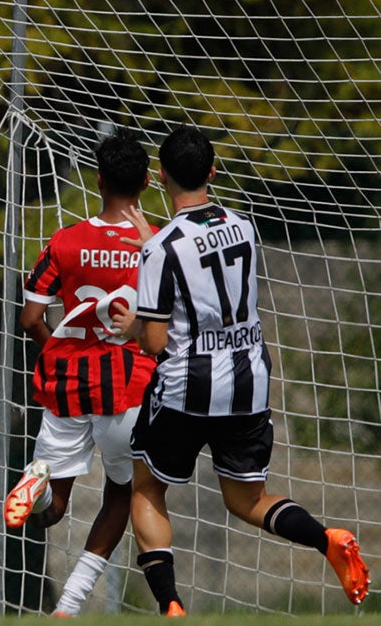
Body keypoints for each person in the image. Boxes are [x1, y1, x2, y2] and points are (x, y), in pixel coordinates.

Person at [113, 125, 369, 615]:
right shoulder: (245, 227)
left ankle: (171, 605)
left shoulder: (160, 250)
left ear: (160, 176)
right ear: (212, 171)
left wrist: (131, 326)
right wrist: (157, 241)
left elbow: (155, 341)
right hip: (248, 383)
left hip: (188, 388)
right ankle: (326, 538)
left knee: (145, 487)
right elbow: (204, 260)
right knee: (246, 498)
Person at [4, 131, 158, 616]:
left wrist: (60, 354)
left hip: (67, 386)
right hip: (126, 387)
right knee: (122, 495)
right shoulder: (156, 245)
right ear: (147, 182)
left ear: (98, 180)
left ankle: (38, 483)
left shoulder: (64, 241)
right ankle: (68, 607)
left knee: (50, 512)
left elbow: (29, 319)